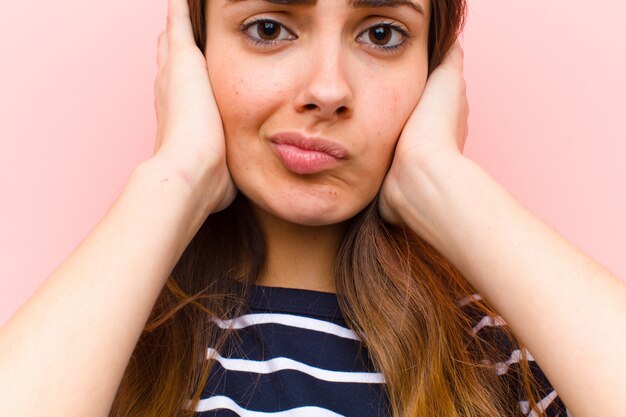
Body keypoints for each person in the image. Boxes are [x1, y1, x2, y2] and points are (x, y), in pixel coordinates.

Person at [0, 0, 624, 416]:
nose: (327, 89)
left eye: (382, 34)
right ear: (192, 53)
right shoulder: (103, 344)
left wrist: (446, 182)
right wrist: (177, 174)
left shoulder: (501, 357)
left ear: (433, 73)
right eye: (269, 28)